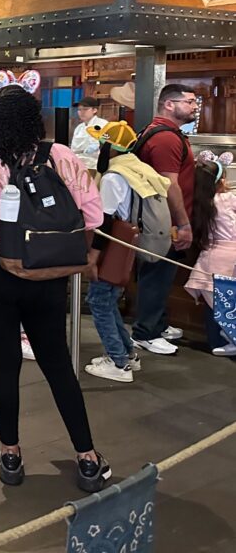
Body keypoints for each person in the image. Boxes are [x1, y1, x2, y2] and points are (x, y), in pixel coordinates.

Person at [0, 85, 111, 494]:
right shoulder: (62, 155)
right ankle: (87, 457)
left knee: (4, 363)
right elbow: (93, 214)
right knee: (56, 362)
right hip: (49, 271)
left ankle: (11, 453)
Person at [82, 122, 165, 382]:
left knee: (99, 302)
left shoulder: (113, 177)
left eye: (101, 144)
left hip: (112, 246)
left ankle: (118, 363)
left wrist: (92, 258)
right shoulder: (138, 168)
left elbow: (104, 222)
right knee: (109, 300)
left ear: (110, 147)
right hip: (130, 243)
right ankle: (127, 353)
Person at [130, 83, 198, 355]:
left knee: (160, 272)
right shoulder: (167, 139)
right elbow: (169, 185)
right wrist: (182, 223)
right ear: (169, 104)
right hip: (163, 220)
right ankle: (146, 332)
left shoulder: (160, 133)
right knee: (157, 273)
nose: (194, 107)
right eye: (190, 101)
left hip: (160, 218)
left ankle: (156, 323)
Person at [187, 151, 236, 356]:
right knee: (230, 301)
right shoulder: (229, 198)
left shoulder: (200, 204)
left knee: (213, 302)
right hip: (231, 255)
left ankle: (216, 341)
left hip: (211, 257)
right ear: (222, 180)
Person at [70, 96, 108, 170]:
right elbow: (73, 149)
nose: (81, 112)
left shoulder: (103, 124)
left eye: (85, 109)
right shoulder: (79, 128)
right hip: (77, 166)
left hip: (94, 166)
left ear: (94, 110)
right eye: (79, 109)